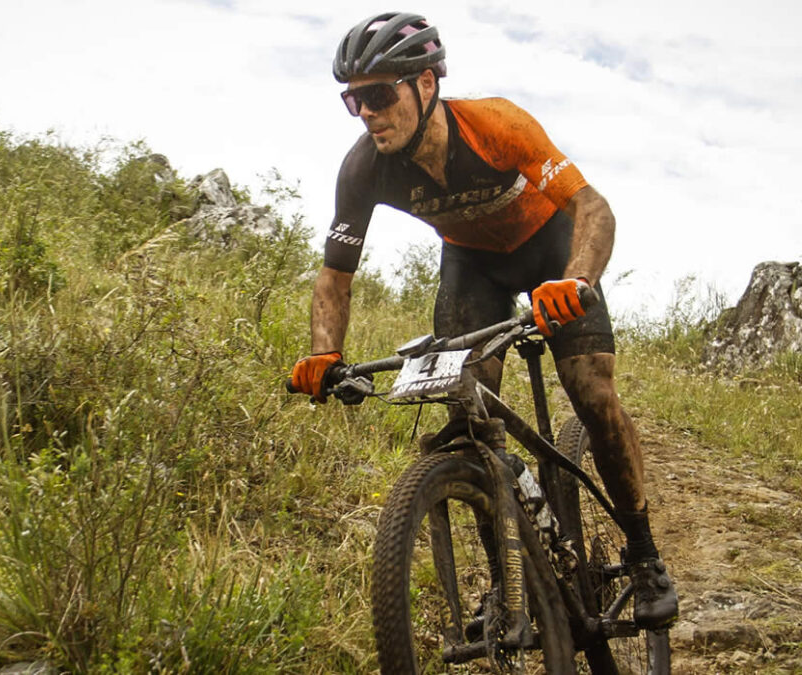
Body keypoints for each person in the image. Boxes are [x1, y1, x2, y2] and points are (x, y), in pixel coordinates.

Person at [289, 11, 678, 629]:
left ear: (424, 84)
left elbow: (591, 207)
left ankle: (645, 555)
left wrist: (576, 280)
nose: (366, 113)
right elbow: (336, 274)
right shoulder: (364, 168)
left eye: (379, 94)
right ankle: (508, 585)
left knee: (591, 391)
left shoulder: (496, 125)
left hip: (552, 250)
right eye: (353, 101)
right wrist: (324, 353)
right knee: (467, 416)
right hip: (472, 267)